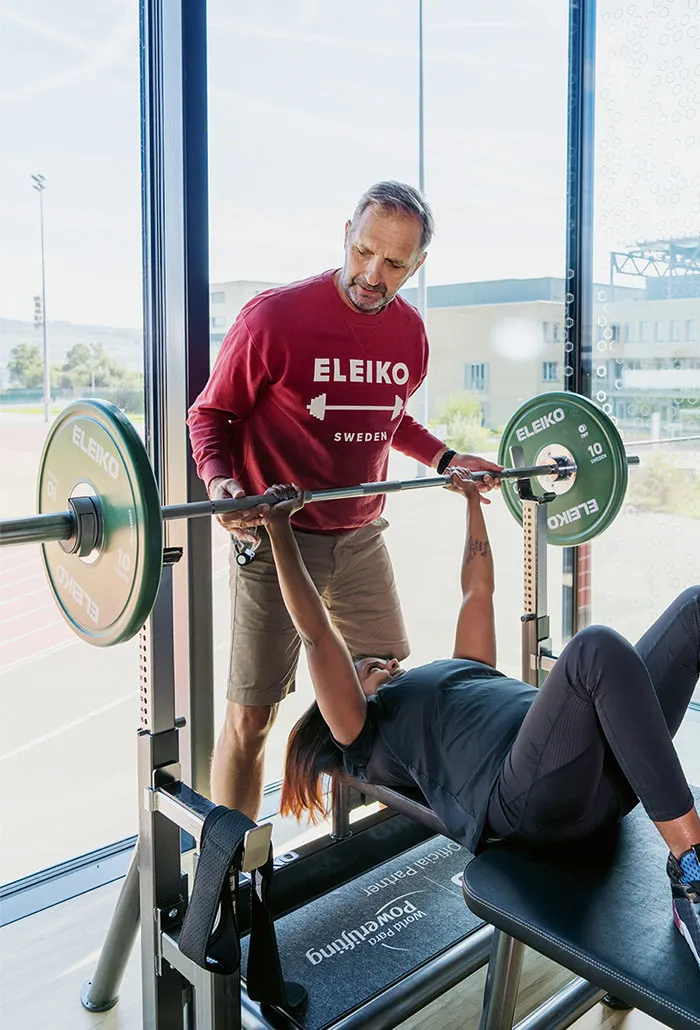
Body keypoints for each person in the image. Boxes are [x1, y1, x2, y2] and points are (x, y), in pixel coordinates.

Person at [262, 475, 700, 971]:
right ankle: (692, 868)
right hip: (529, 797)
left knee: (693, 608)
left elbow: (478, 590)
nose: (388, 662)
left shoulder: (461, 667)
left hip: (604, 772)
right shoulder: (366, 735)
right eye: (370, 668)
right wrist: (280, 529)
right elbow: (317, 634)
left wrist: (472, 501)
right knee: (593, 649)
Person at [187, 180, 501, 818]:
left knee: (390, 695)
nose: (372, 275)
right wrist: (221, 485)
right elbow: (210, 416)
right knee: (251, 716)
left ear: (417, 265)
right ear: (346, 236)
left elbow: (387, 417)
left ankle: (366, 845)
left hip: (360, 536)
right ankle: (232, 866)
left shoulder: (410, 334)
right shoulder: (272, 318)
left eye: (394, 264)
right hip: (277, 539)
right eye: (363, 252)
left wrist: (446, 460)